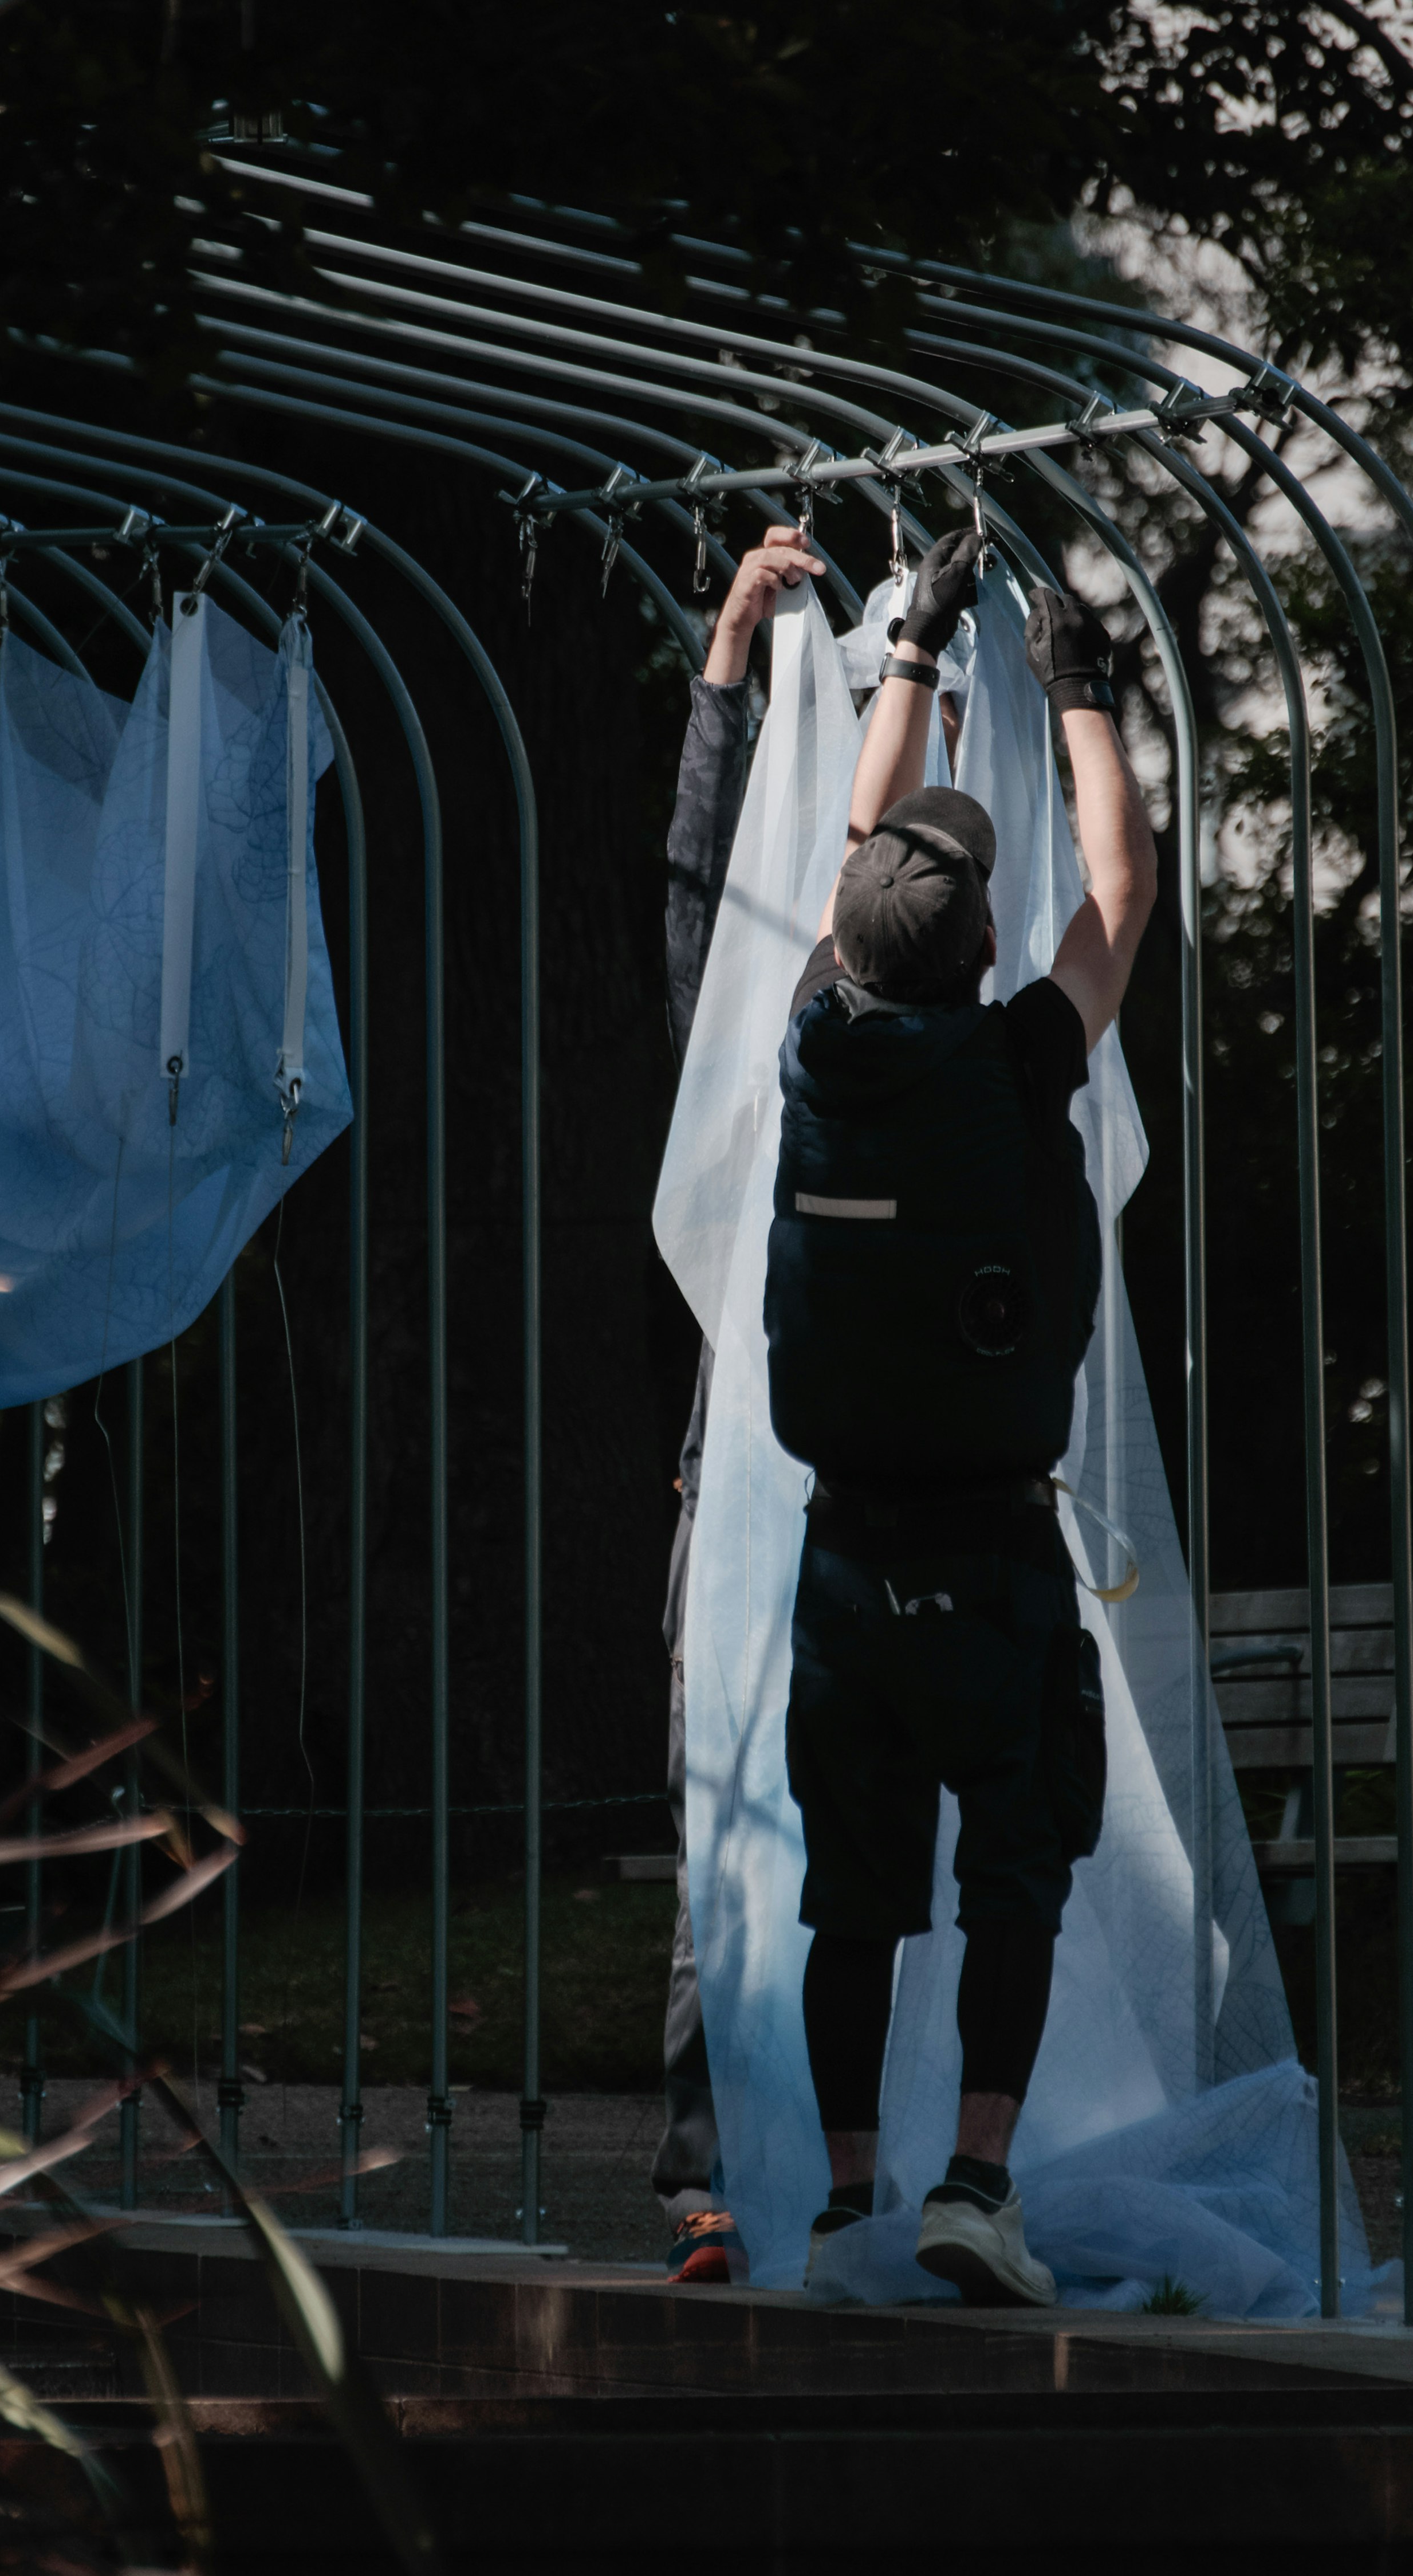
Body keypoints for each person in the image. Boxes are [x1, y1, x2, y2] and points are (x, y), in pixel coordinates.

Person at [763, 523, 1158, 2307]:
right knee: (1015, 1869)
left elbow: (865, 851)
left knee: (853, 1896)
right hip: (991, 1555)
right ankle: (973, 2179)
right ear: (983, 940)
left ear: (853, 945)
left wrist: (910, 646)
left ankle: (850, 2191)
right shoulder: (1020, 1067)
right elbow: (1123, 889)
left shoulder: (818, 1048)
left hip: (845, 1554)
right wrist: (1083, 684)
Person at [655, 520, 824, 2283]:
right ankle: (720, 2165)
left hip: (883, 1458)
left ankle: (859, 2152)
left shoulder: (935, 1049)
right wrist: (727, 666)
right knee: (726, 1775)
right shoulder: (753, 1056)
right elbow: (707, 903)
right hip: (745, 1456)